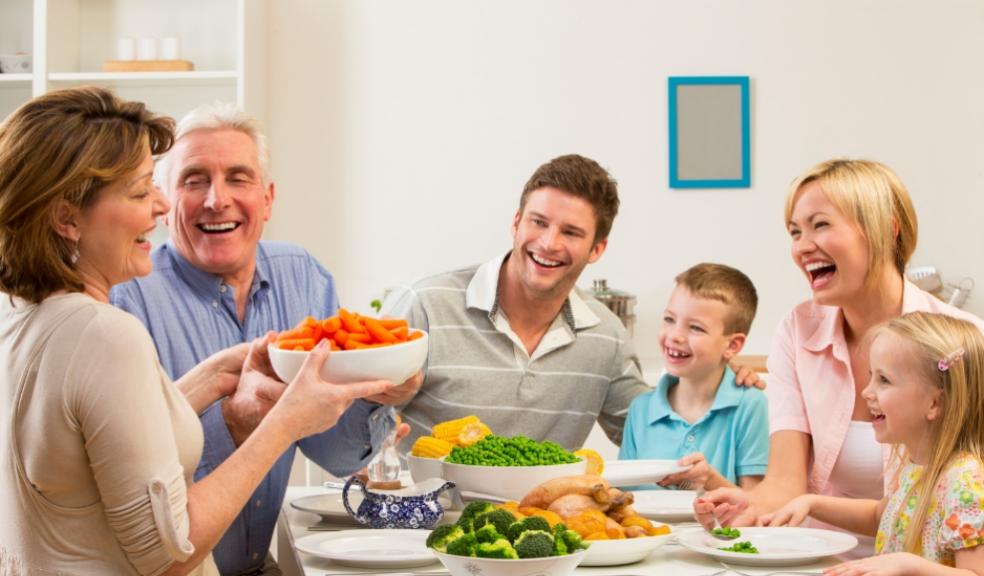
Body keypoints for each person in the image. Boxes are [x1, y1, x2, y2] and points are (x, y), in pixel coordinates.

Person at [0, 86, 392, 575]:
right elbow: (167, 554)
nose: (160, 208)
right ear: (66, 219)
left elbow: (105, 449)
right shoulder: (106, 332)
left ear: (268, 198)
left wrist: (214, 375)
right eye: (142, 191)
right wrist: (282, 422)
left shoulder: (25, 314)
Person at [110, 102, 418, 575]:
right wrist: (233, 424)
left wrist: (375, 396)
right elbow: (128, 487)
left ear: (268, 198)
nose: (217, 199)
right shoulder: (124, 299)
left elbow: (332, 453)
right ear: (165, 202)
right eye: (194, 180)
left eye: (238, 178)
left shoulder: (305, 277)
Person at [694, 159, 984, 555]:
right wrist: (748, 507)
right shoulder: (797, 330)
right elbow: (785, 483)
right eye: (795, 231)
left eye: (820, 224)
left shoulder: (961, 341)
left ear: (887, 228)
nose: (801, 246)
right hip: (820, 559)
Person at [383, 154, 760, 452]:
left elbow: (654, 431)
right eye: (538, 222)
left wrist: (718, 377)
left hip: (547, 538)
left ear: (597, 249)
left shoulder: (606, 337)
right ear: (516, 223)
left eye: (571, 232)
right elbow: (349, 428)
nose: (549, 243)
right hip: (423, 532)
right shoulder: (425, 306)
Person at [763, 312, 984, 574]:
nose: (866, 392)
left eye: (884, 380)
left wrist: (907, 565)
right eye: (871, 377)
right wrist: (811, 503)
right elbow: (881, 515)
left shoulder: (965, 482)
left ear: (934, 403)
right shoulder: (917, 467)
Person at [619, 263, 768, 491]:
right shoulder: (641, 409)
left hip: (718, 528)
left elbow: (757, 504)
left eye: (696, 328)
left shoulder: (749, 405)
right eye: (669, 319)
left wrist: (710, 482)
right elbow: (623, 498)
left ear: (733, 345)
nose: (675, 335)